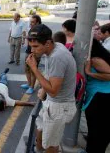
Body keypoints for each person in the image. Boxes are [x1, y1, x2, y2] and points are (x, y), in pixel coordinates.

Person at [26, 24, 77, 153]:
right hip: (51, 103)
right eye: (31, 46)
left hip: (58, 107)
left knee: (51, 144)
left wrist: (34, 68)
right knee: (41, 126)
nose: (32, 50)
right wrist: (43, 91)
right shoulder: (55, 47)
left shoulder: (57, 57)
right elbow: (50, 77)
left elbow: (53, 91)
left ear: (48, 43)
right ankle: (38, 149)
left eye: (36, 46)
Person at [83, 39, 110, 153]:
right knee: (99, 130)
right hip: (101, 96)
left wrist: (89, 73)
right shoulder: (99, 57)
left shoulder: (95, 59)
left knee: (98, 131)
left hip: (101, 97)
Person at [21, 15, 42, 94]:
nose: (31, 23)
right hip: (28, 51)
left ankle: (32, 87)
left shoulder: (40, 30)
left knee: (33, 70)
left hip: (35, 53)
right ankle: (29, 84)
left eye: (33, 22)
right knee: (26, 69)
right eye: (30, 22)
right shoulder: (31, 29)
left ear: (38, 22)